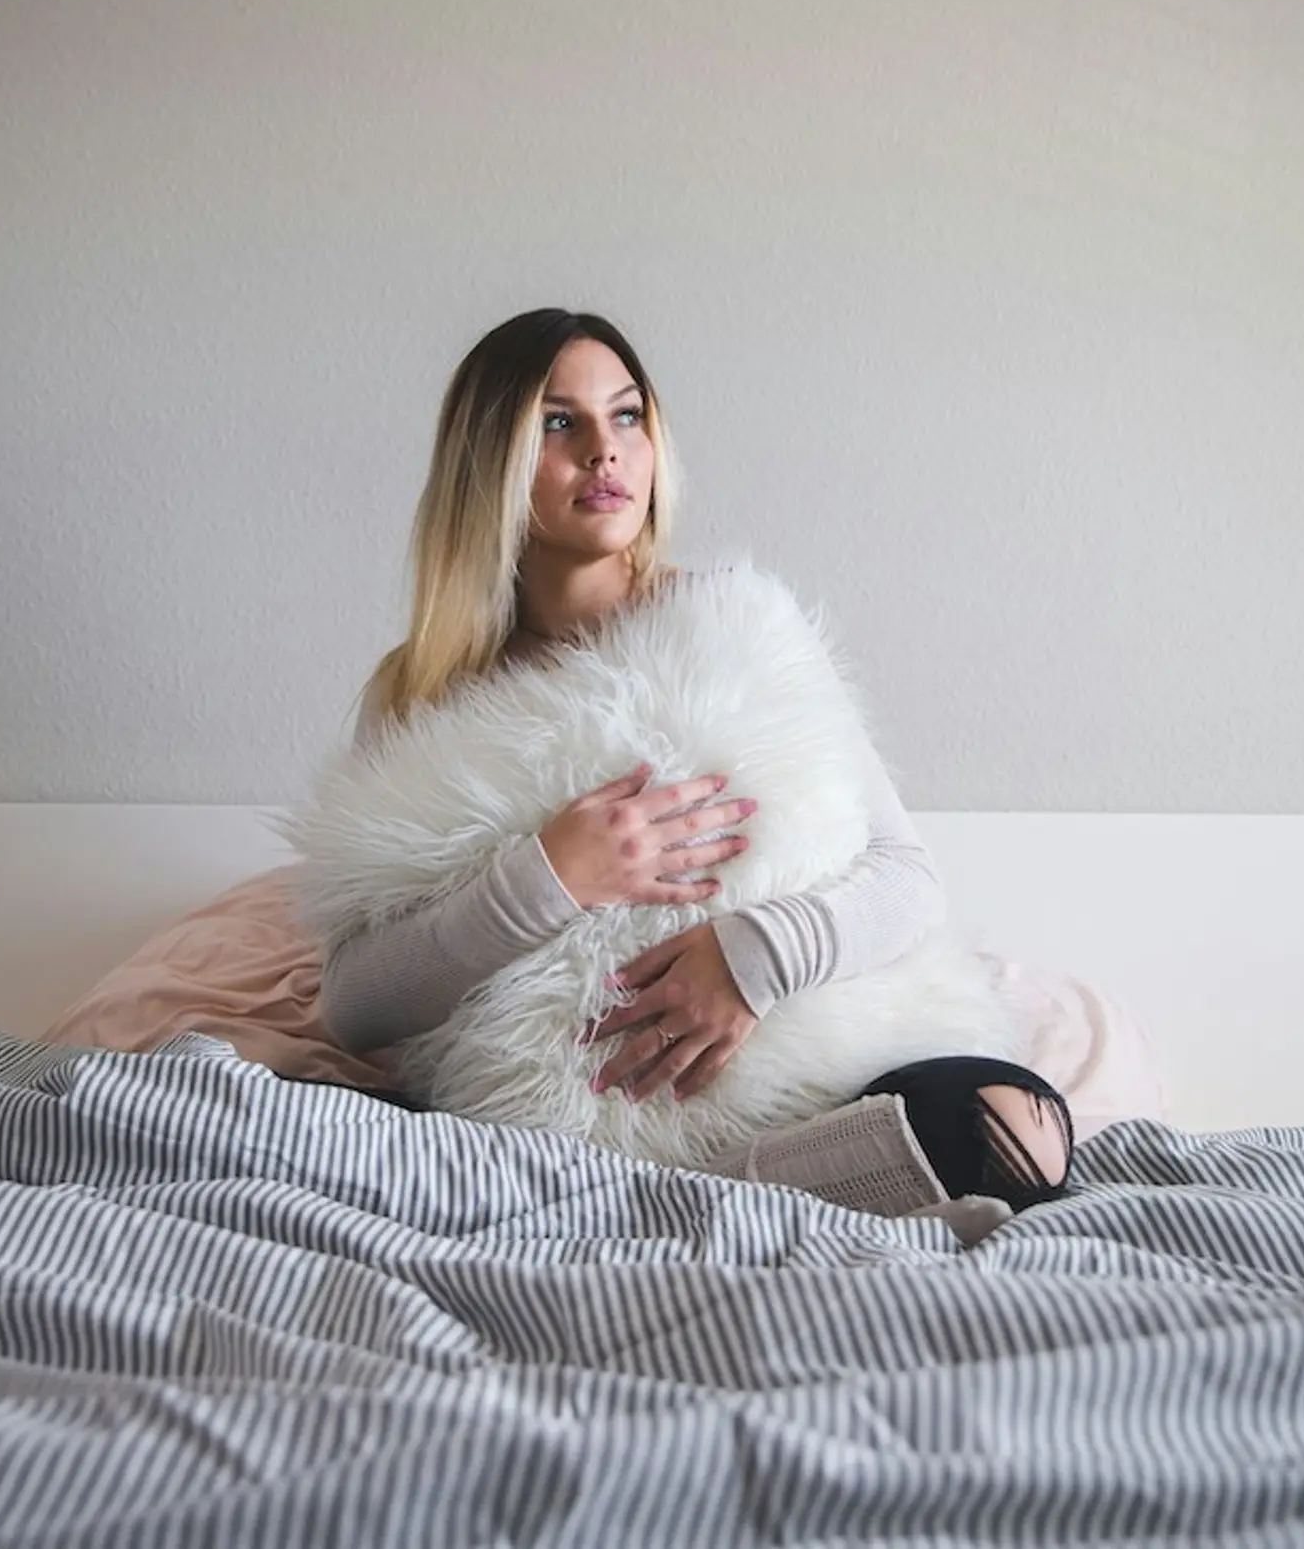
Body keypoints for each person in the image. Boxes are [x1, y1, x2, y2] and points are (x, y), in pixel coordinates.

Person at [316, 308, 1071, 1224]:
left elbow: (907, 881)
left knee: (1016, 1127)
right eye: (559, 423)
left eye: (626, 415)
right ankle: (679, 1198)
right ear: (491, 458)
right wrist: (549, 877)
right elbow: (355, 1005)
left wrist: (751, 960)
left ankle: (688, 1200)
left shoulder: (735, 629)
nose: (604, 451)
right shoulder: (424, 695)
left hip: (815, 1077)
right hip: (557, 1124)